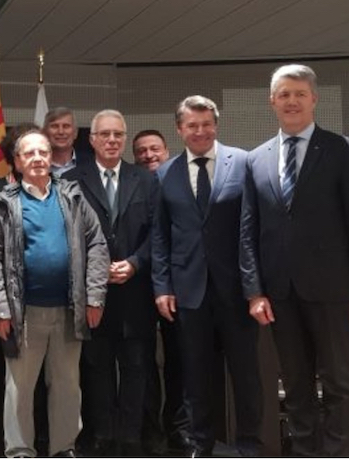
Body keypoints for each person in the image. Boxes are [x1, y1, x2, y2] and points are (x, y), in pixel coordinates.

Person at [240, 64, 349, 457]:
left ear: (314, 99)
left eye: (299, 93)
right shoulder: (256, 159)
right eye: (283, 94)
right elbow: (248, 233)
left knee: (339, 384)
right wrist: (254, 292)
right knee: (296, 386)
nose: (292, 101)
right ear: (272, 102)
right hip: (280, 295)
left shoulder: (341, 149)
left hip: (333, 292)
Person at [0, 130, 110, 458]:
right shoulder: (4, 204)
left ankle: (63, 448)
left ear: (51, 157)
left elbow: (97, 245)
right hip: (23, 314)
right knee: (19, 389)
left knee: (67, 386)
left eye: (43, 152)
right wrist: (0, 309)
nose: (37, 158)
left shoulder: (73, 197)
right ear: (18, 162)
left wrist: (94, 297)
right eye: (29, 153)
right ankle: (20, 450)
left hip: (69, 310)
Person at [153, 96, 263, 457]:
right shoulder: (164, 172)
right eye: (192, 125)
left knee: (245, 374)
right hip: (188, 292)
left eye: (206, 124)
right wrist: (162, 286)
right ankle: (201, 444)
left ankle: (250, 444)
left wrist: (255, 288)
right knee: (196, 375)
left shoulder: (243, 162)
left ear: (216, 125)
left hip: (236, 290)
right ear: (180, 129)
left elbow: (253, 229)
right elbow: (160, 236)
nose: (200, 131)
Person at [63, 110, 157, 456]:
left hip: (136, 291)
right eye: (105, 134)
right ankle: (101, 434)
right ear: (92, 139)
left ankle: (130, 437)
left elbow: (158, 234)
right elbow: (68, 235)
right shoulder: (71, 180)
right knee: (96, 369)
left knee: (136, 368)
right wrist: (95, 269)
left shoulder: (146, 180)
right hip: (93, 293)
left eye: (118, 134)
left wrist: (135, 263)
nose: (112, 140)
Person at [132, 130, 189, 454]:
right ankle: (149, 431)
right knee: (143, 364)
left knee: (179, 361)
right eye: (141, 151)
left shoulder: (180, 182)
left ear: (167, 150)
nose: (148, 155)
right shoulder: (133, 183)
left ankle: (178, 428)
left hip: (177, 289)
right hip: (139, 288)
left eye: (154, 149)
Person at [43, 107, 82, 176]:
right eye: (55, 126)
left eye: (66, 126)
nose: (61, 132)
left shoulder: (92, 165)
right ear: (45, 133)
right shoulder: (36, 165)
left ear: (75, 133)